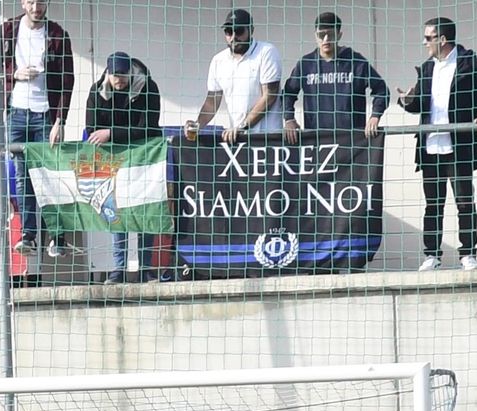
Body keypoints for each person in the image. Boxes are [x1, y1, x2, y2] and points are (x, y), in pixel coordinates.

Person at [397, 17, 477, 272]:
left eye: (428, 37)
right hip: (430, 148)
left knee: (465, 201)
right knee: (433, 204)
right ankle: (432, 255)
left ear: (442, 39)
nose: (424, 42)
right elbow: (421, 106)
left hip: (459, 147)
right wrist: (407, 101)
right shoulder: (426, 68)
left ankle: (468, 254)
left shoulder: (470, 64)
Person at [2, 0, 75, 260]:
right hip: (17, 114)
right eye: (31, 2)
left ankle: (57, 235)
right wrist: (14, 75)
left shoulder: (57, 34)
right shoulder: (8, 30)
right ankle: (28, 234)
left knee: (49, 175)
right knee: (23, 176)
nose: (36, 7)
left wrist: (60, 120)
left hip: (45, 113)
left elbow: (68, 79)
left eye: (41, 2)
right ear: (23, 3)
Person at [83, 52, 163, 283]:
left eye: (124, 75)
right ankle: (119, 269)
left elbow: (148, 128)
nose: (120, 81)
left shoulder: (147, 88)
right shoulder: (97, 92)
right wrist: (109, 136)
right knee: (116, 213)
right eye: (115, 76)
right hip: (114, 160)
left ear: (130, 73)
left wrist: (111, 133)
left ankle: (146, 269)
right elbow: (91, 129)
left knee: (144, 211)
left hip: (144, 158)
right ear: (108, 73)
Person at [280, 12, 388, 143]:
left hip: (352, 141)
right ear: (315, 36)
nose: (325, 39)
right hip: (318, 140)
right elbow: (288, 93)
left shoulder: (356, 62)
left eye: (330, 35)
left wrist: (375, 116)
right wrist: (289, 119)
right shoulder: (306, 64)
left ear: (339, 35)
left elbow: (382, 90)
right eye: (321, 35)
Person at [185, 9, 282, 145]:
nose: (234, 36)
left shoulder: (266, 52)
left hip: (267, 139)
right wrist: (197, 125)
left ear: (251, 30)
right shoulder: (218, 60)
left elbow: (270, 96)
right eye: (229, 31)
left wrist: (242, 126)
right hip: (238, 139)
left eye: (239, 30)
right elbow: (212, 102)